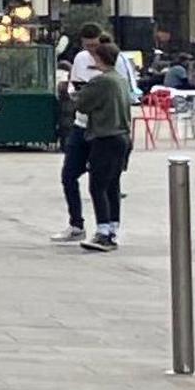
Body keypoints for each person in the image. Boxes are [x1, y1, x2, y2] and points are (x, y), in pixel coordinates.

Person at [69, 47, 133, 251]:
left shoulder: (101, 81)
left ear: (99, 58)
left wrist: (74, 93)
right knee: (112, 184)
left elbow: (82, 104)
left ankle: (103, 231)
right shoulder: (120, 80)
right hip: (122, 136)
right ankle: (113, 227)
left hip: (105, 136)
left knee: (97, 186)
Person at [52, 29, 106, 245]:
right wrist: (75, 93)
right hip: (81, 123)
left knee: (101, 180)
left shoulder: (113, 61)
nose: (91, 51)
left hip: (102, 128)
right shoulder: (80, 59)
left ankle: (107, 227)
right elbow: (74, 85)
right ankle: (76, 224)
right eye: (87, 46)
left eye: (94, 46)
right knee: (68, 175)